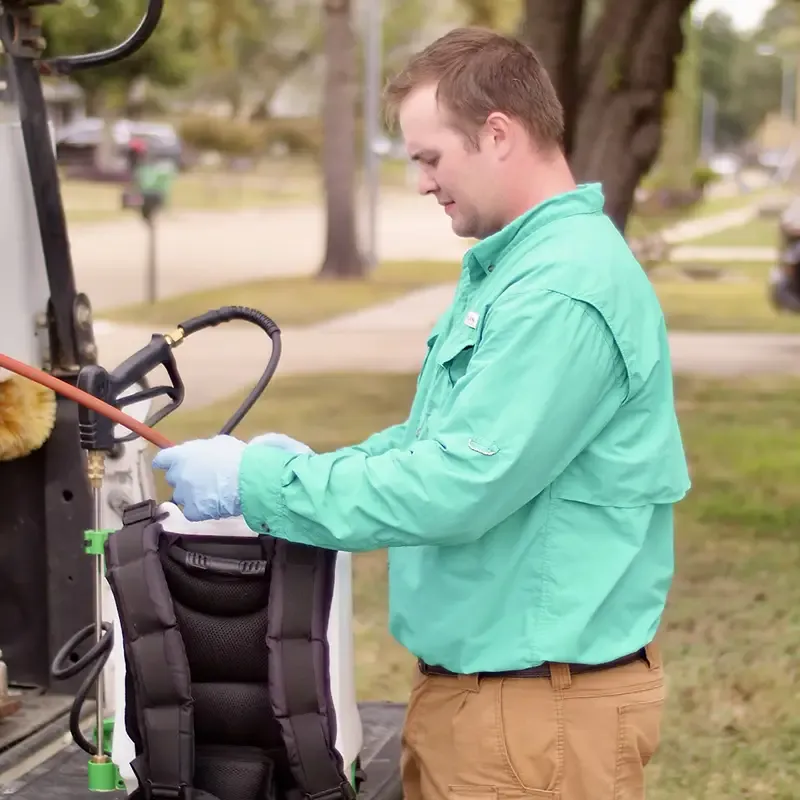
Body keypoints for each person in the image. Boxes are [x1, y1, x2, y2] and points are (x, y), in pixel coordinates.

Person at [152, 26, 691, 800]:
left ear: (498, 133)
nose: (421, 181)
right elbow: (434, 443)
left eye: (429, 157)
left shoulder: (561, 290)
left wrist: (260, 484)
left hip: (534, 721)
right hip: (494, 706)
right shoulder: (521, 270)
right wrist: (308, 469)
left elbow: (456, 485)